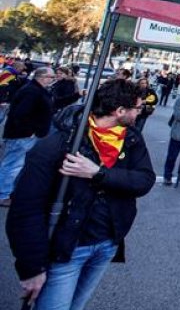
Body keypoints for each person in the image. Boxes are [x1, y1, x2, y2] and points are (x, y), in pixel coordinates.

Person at [6, 79, 156, 309]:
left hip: (107, 243)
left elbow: (144, 180)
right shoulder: (61, 142)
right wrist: (31, 267)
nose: (140, 113)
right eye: (137, 108)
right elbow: (26, 208)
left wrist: (98, 173)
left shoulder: (131, 138)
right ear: (120, 111)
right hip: (67, 249)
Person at [0, 67, 56, 207]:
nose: (53, 79)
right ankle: (2, 194)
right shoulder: (32, 91)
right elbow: (20, 114)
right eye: (51, 77)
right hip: (21, 136)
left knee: (15, 165)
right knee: (12, 165)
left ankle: (6, 192)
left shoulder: (36, 90)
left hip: (24, 135)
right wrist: (30, 131)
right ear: (42, 77)